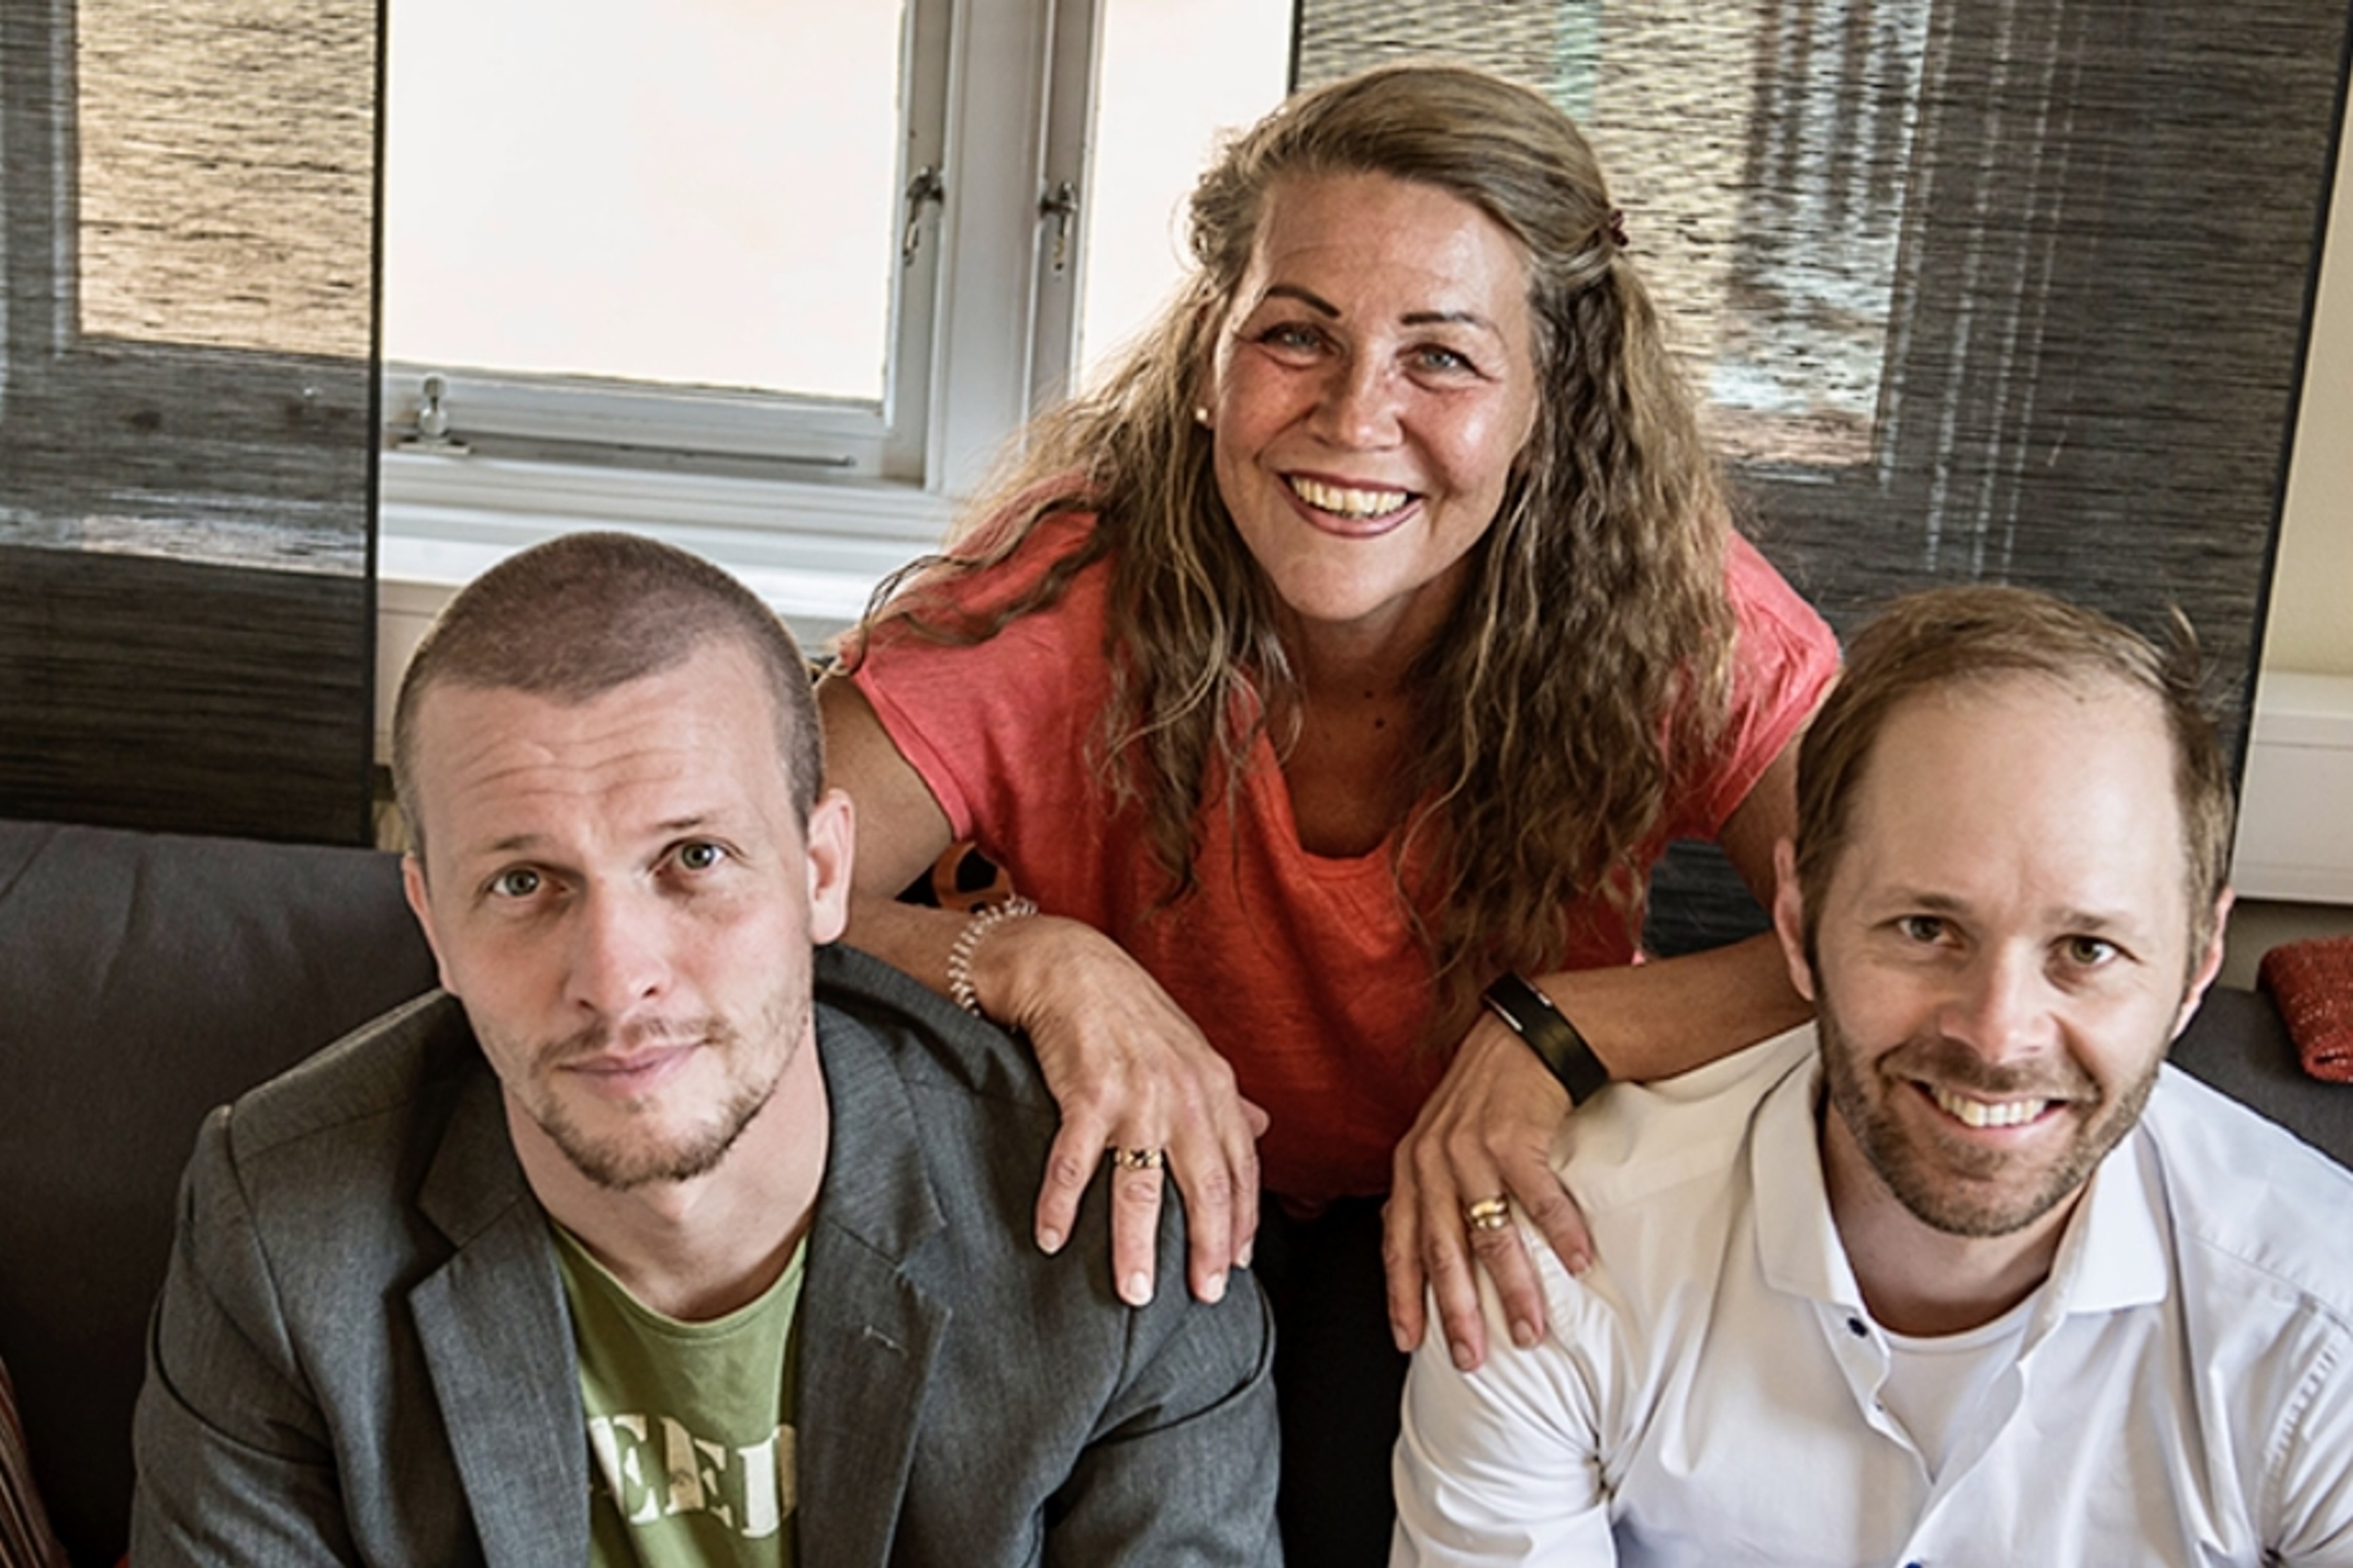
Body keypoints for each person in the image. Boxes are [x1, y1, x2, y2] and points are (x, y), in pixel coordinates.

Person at [820, 61, 1839, 1562]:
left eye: (1444, 357)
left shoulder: (1674, 611)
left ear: (1551, 403)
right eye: (1296, 335)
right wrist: (1033, 961)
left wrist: (1566, 1027)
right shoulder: (1069, 589)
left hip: (1470, 1194)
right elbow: (711, 881)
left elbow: (1914, 933)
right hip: (1126, 1192)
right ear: (1208, 358)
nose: (1357, 418)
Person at [130, 532, 1282, 1566]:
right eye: (524, 883)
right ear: (434, 924)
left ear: (822, 873)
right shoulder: (281, 1231)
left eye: (694, 860)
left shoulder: (1117, 1248)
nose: (614, 977)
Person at [1391, 585, 2353, 1565]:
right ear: (1799, 925)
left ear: (2197, 965)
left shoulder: (2326, 1325)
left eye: (2088, 950)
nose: (1998, 1035)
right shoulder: (1556, 1269)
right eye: (1926, 929)